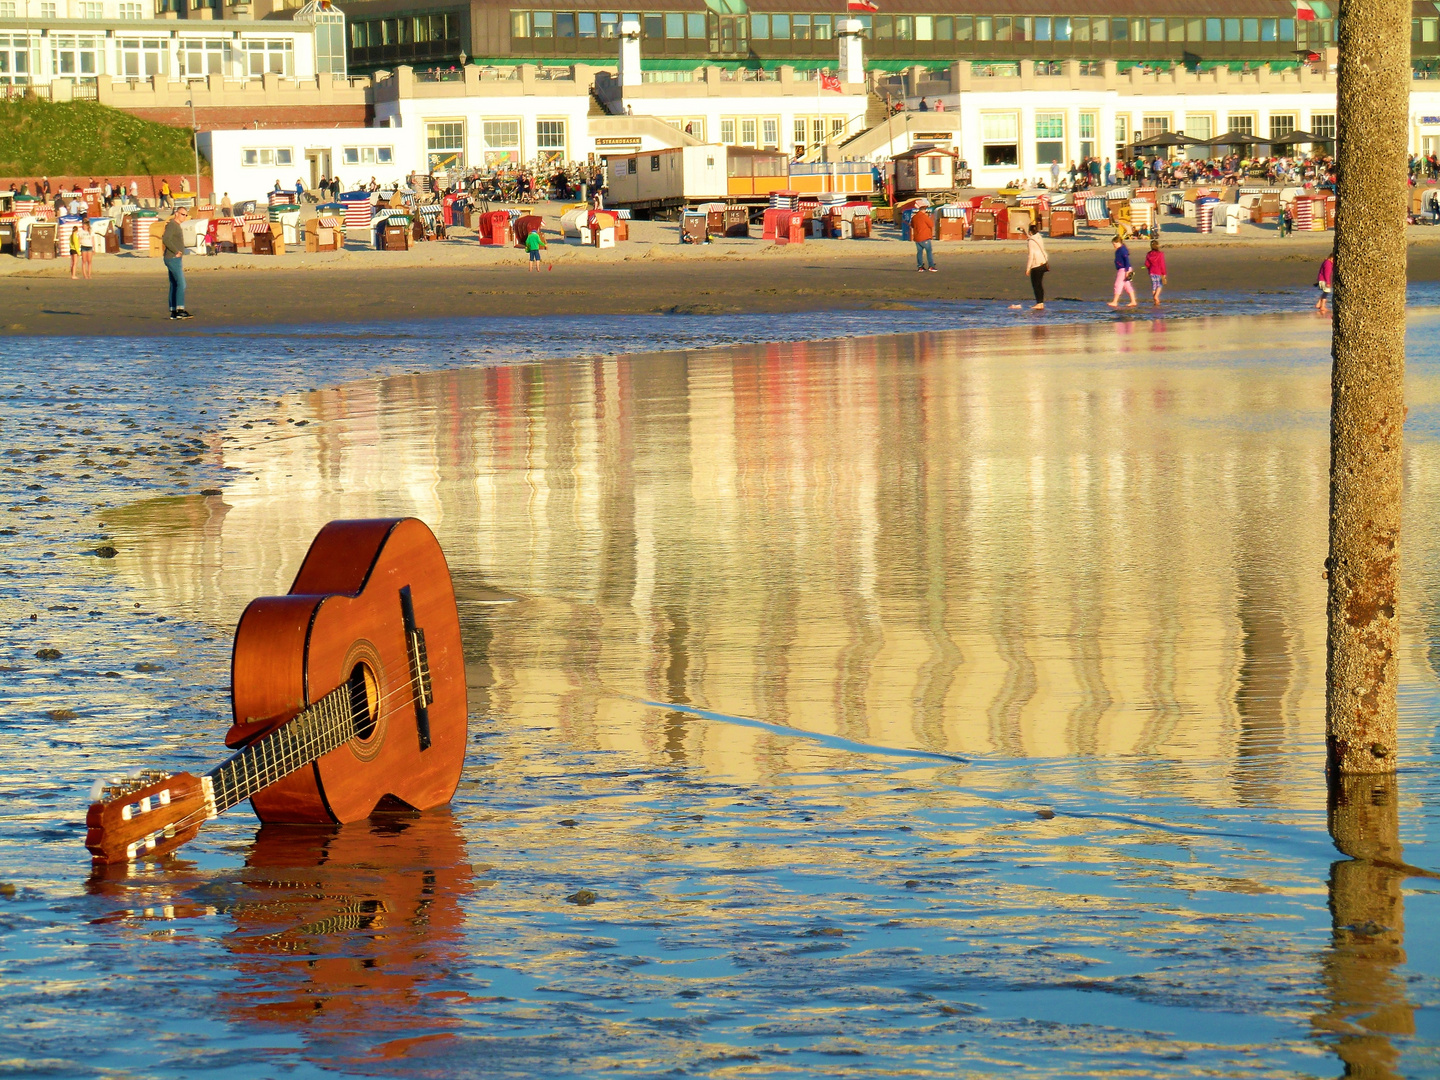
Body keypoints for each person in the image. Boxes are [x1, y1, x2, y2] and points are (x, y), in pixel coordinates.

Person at [162, 207, 193, 320]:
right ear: (176, 214)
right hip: (172, 258)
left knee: (174, 284)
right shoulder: (172, 224)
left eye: (185, 215)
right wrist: (176, 251)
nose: (184, 216)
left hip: (174, 258)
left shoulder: (176, 225)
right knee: (181, 284)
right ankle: (180, 310)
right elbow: (165, 239)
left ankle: (174, 311)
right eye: (182, 214)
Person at [1108, 235, 1137, 308]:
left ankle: (1115, 302)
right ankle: (1133, 301)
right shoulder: (1119, 250)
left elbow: (1126, 260)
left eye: (1114, 244)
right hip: (1123, 269)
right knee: (1127, 285)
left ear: (1118, 242)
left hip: (1124, 269)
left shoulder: (1122, 250)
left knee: (1118, 284)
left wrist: (1127, 271)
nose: (1114, 245)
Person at [1024, 223, 1048, 310]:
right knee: (1040, 284)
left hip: (1036, 264)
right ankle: (1040, 303)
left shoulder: (1031, 241)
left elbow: (1031, 255)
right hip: (1043, 262)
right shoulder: (1039, 237)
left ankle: (1039, 303)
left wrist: (1028, 268)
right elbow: (1031, 238)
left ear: (1030, 232)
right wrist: (1025, 232)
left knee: (1036, 284)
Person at [910, 203, 936, 272]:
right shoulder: (924, 217)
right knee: (929, 251)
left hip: (917, 237)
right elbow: (931, 224)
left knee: (919, 252)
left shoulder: (914, 217)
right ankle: (931, 266)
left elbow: (912, 225)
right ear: (923, 210)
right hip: (924, 237)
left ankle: (920, 266)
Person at [1144, 239, 1167, 305]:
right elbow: (1162, 264)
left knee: (1154, 285)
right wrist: (1164, 273)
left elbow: (1147, 264)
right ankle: (1156, 297)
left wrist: (1149, 269)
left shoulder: (1149, 254)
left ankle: (1156, 301)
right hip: (1158, 271)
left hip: (1152, 271)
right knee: (1159, 285)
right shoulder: (1160, 254)